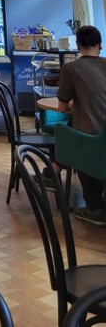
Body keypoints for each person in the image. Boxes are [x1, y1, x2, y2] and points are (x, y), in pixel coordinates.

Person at [57, 25, 106, 225]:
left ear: (77, 45)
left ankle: (94, 208)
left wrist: (74, 103)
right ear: (100, 45)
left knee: (73, 134)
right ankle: (52, 171)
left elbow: (61, 108)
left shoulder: (71, 68)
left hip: (91, 138)